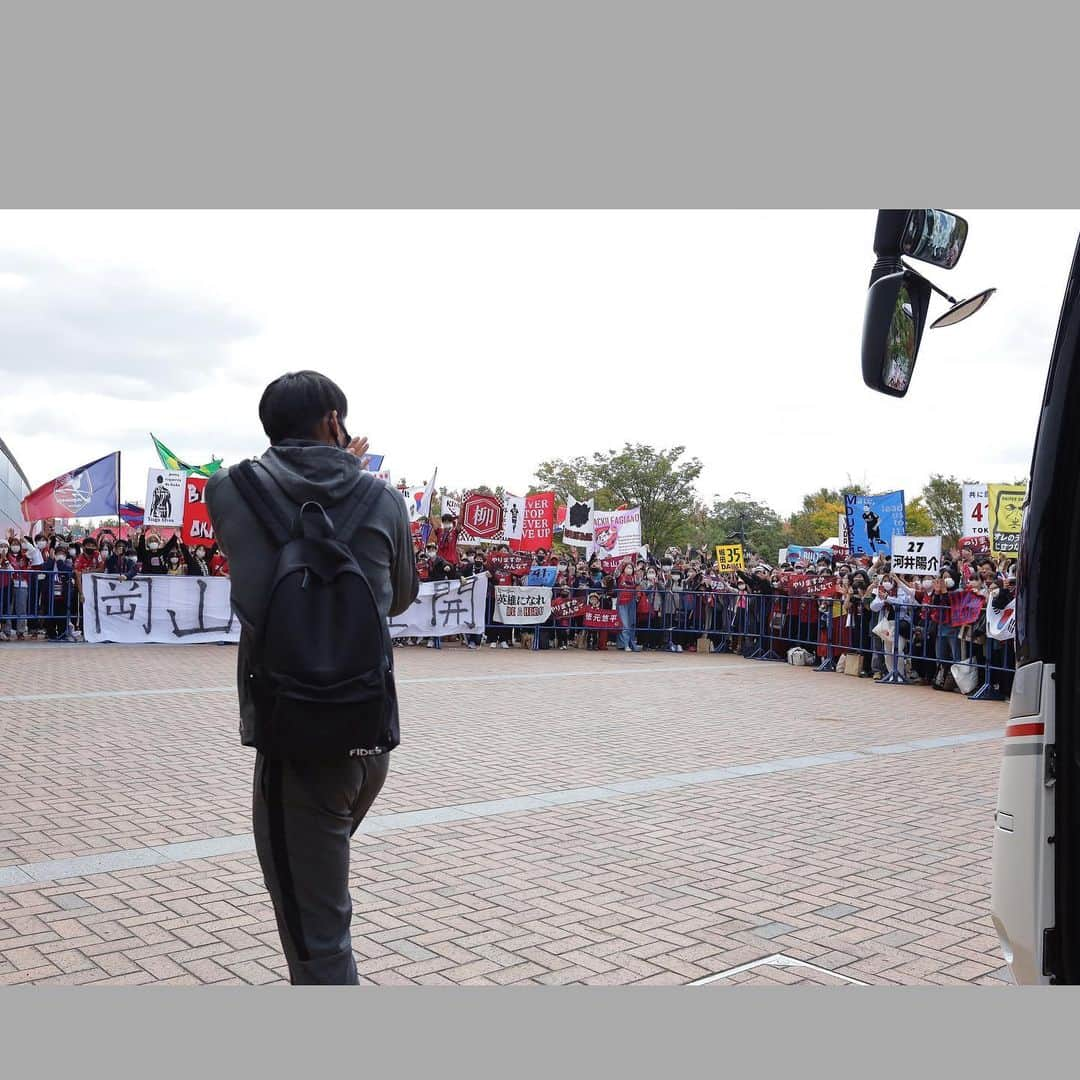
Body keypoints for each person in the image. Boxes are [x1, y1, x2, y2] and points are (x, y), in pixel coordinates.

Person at [205, 369, 418, 986]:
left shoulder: (228, 490)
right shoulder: (383, 498)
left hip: (294, 742)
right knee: (319, 907)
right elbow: (400, 597)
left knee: (318, 945)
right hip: (365, 735)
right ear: (334, 422)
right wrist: (352, 476)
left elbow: (273, 481)